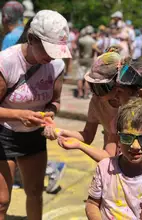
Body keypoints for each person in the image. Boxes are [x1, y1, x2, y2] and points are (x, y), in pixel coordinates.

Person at [0, 9, 71, 219]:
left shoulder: (56, 66)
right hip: (3, 135)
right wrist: (19, 115)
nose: (51, 57)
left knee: (35, 192)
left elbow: (55, 102)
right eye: (48, 50)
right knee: (2, 201)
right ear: (31, 39)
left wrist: (49, 115)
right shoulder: (6, 62)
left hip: (33, 137)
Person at [45, 52, 142, 164]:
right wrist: (62, 132)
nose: (94, 93)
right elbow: (107, 153)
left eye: (100, 88)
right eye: (92, 86)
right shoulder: (112, 112)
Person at [85, 98, 142, 220]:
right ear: (118, 138)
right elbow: (92, 204)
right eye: (127, 138)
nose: (135, 146)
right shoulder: (104, 168)